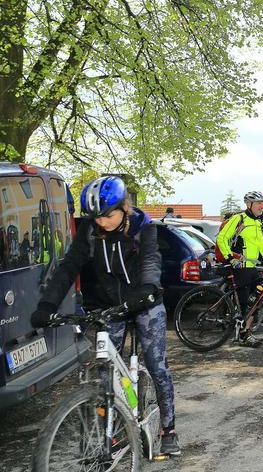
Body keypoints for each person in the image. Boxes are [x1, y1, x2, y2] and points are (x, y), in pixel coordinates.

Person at [31, 176, 180, 456]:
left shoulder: (142, 227)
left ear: (124, 208)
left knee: (157, 365)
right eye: (96, 217)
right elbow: (68, 268)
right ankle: (110, 428)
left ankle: (168, 429)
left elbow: (150, 260)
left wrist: (148, 286)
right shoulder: (89, 230)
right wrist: (47, 304)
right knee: (104, 371)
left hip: (145, 301)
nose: (102, 222)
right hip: (110, 306)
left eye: (108, 215)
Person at [216, 191, 263, 346]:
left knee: (256, 299)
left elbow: (261, 244)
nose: (262, 206)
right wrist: (229, 257)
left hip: (252, 266)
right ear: (249, 204)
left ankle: (246, 331)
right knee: (245, 300)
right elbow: (221, 238)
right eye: (258, 203)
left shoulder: (258, 222)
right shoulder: (238, 219)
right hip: (240, 266)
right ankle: (243, 333)